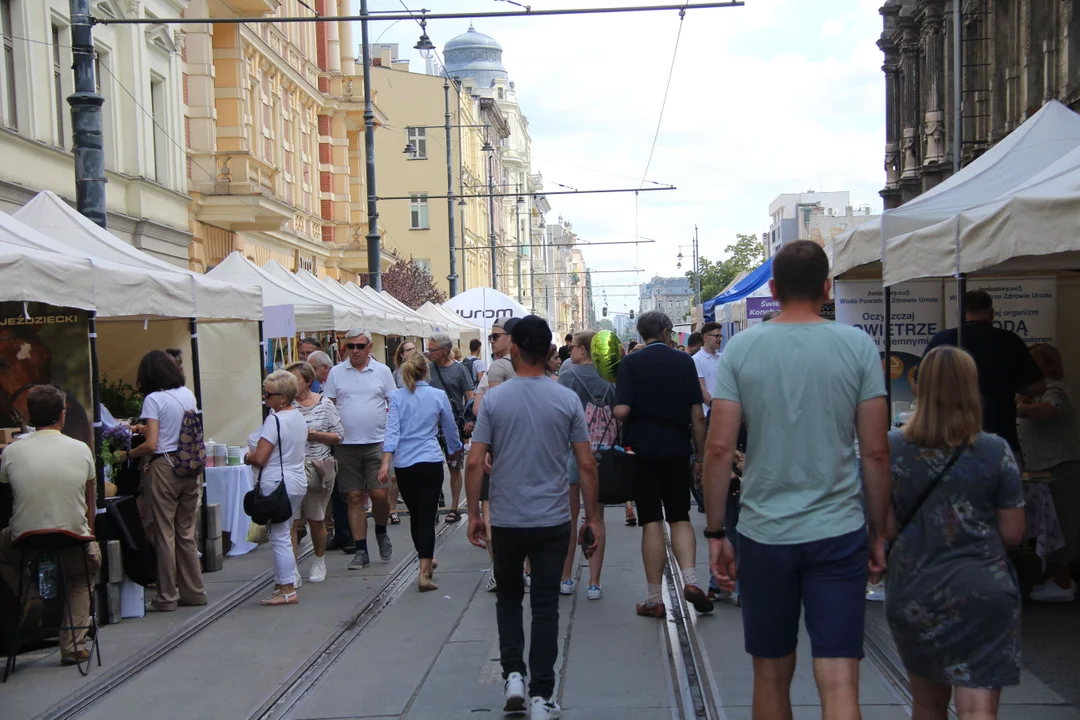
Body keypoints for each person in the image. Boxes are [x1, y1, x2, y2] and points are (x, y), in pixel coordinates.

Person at [703, 240, 892, 720]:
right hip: (838, 528)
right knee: (839, 675)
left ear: (772, 289)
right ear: (827, 289)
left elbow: (720, 448)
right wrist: (878, 530)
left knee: (770, 671)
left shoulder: (742, 348)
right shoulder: (857, 345)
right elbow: (874, 450)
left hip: (765, 532)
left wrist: (716, 531)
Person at [466, 315, 602, 719]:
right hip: (552, 518)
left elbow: (475, 462)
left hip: (506, 519)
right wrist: (591, 517)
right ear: (547, 353)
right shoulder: (565, 399)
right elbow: (587, 464)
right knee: (545, 605)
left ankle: (513, 677)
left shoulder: (495, 399)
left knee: (508, 596)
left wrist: (474, 514)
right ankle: (542, 695)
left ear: (515, 350)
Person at [886, 346, 1025, 719]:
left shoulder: (892, 448)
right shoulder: (996, 451)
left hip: (915, 587)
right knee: (978, 700)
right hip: (983, 586)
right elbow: (1013, 532)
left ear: (919, 389)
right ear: (971, 389)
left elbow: (883, 526)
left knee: (928, 704)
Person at [614, 311, 713, 618]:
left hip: (641, 451)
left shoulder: (630, 363)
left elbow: (621, 411)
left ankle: (654, 598)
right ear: (668, 332)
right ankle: (692, 580)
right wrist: (699, 457)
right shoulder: (685, 362)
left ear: (642, 334)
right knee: (680, 516)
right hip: (676, 448)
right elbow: (697, 415)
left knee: (651, 521)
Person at [0, 385, 99, 665]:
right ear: (63, 416)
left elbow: (7, 495)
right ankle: (73, 645)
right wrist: (89, 536)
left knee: (1, 550)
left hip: (25, 537)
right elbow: (89, 505)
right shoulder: (81, 449)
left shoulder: (11, 452)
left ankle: (30, 594)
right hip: (71, 536)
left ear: (29, 416)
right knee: (85, 570)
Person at [123, 349, 207, 612]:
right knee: (186, 532)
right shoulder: (187, 394)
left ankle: (167, 595)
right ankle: (194, 591)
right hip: (189, 467)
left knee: (164, 533)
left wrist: (127, 453)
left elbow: (151, 443)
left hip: (164, 467)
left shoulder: (153, 399)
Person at [923, 289, 1044, 456]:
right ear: (992, 313)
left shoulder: (942, 340)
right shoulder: (1009, 340)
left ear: (959, 313)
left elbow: (918, 388)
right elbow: (1037, 387)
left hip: (949, 438)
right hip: (1000, 436)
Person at [379, 354, 462, 592]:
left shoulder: (396, 397)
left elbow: (392, 431)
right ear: (427, 372)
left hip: (405, 463)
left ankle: (426, 559)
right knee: (427, 514)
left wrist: (386, 461)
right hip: (430, 460)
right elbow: (449, 426)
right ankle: (424, 570)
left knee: (416, 515)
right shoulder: (437, 396)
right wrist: (455, 449)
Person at [323, 329, 397, 569]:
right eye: (350, 346)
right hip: (346, 445)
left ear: (369, 347)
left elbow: (393, 404)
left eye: (359, 346)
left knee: (378, 494)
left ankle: (381, 530)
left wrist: (393, 438)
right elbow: (329, 407)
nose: (354, 350)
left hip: (376, 442)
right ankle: (361, 549)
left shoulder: (383, 372)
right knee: (354, 497)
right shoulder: (336, 373)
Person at [1018, 343, 1080, 602]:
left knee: (1062, 525)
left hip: (1060, 466)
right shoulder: (1030, 391)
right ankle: (1056, 578)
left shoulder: (1053, 387)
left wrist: (1020, 407)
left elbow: (1051, 409)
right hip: (1042, 468)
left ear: (1049, 365)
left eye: (1035, 362)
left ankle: (1063, 583)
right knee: (1049, 525)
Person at [245, 371, 309, 606]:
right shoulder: (298, 416)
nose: (265, 397)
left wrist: (247, 456)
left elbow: (261, 457)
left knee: (280, 536)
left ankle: (287, 588)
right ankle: (284, 584)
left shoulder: (276, 419)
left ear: (282, 398)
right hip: (296, 479)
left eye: (268, 394)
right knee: (284, 530)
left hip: (277, 481)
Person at [558, 330, 612, 600]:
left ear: (581, 350)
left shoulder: (567, 376)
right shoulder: (610, 376)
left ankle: (566, 578)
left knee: (569, 517)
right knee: (596, 517)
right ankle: (594, 582)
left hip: (572, 453)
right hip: (602, 453)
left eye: (573, 348)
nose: (570, 352)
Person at [474, 316, 519, 592]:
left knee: (491, 512)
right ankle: (524, 569)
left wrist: (487, 448)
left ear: (511, 339)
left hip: (499, 448)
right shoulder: (532, 367)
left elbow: (487, 412)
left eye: (496, 336)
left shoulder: (498, 368)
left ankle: (500, 570)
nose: (492, 341)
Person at [287, 362, 343, 584]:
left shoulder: (325, 404)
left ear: (309, 381)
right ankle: (291, 569)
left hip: (316, 467)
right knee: (291, 521)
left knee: (315, 519)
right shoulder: (284, 405)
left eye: (296, 380)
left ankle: (319, 561)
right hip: (291, 467)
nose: (292, 385)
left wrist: (318, 435)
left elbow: (339, 436)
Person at [426, 333, 475, 524]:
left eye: (433, 350)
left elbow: (470, 396)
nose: (429, 353)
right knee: (430, 467)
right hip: (429, 426)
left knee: (454, 467)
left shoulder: (460, 370)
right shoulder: (427, 370)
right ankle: (433, 504)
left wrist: (470, 420)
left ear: (445, 351)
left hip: (453, 425)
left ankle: (454, 507)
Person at [693, 322, 723, 416]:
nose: (719, 339)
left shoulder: (723, 357)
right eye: (717, 336)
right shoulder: (696, 359)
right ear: (705, 337)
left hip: (725, 411)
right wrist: (714, 407)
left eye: (721, 336)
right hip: (708, 414)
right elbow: (701, 389)